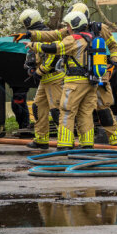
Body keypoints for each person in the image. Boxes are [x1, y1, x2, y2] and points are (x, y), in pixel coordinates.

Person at [24, 12, 96, 150]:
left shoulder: (73, 39)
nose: (67, 28)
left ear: (74, 25)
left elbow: (55, 49)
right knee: (85, 112)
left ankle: (64, 144)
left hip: (74, 81)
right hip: (90, 81)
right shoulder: (91, 38)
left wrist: (34, 46)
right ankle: (87, 144)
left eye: (68, 25)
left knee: (65, 111)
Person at [69, 3, 117, 147]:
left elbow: (113, 46)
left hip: (98, 73)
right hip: (80, 76)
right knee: (82, 110)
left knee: (103, 108)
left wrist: (113, 62)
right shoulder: (70, 31)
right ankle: (85, 142)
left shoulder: (99, 28)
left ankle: (116, 139)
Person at [18, 9, 63, 149]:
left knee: (57, 111)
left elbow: (53, 56)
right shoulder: (35, 36)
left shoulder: (48, 35)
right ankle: (41, 139)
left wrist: (39, 71)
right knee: (38, 107)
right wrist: (30, 66)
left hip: (55, 78)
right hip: (45, 80)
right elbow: (32, 53)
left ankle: (65, 141)